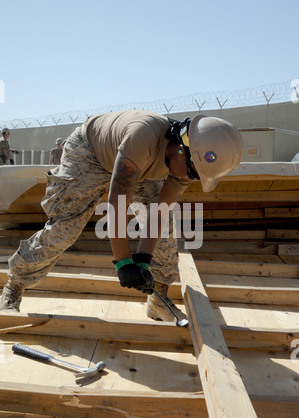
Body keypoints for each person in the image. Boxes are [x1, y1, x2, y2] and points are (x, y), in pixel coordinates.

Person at [0, 110, 243, 322]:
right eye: (194, 173)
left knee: (167, 228)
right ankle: (15, 285)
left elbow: (159, 212)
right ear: (182, 150)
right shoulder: (142, 138)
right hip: (91, 151)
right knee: (67, 228)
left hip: (140, 165)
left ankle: (158, 300)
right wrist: (124, 263)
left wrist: (144, 259)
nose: (192, 179)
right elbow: (116, 203)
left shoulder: (187, 166)